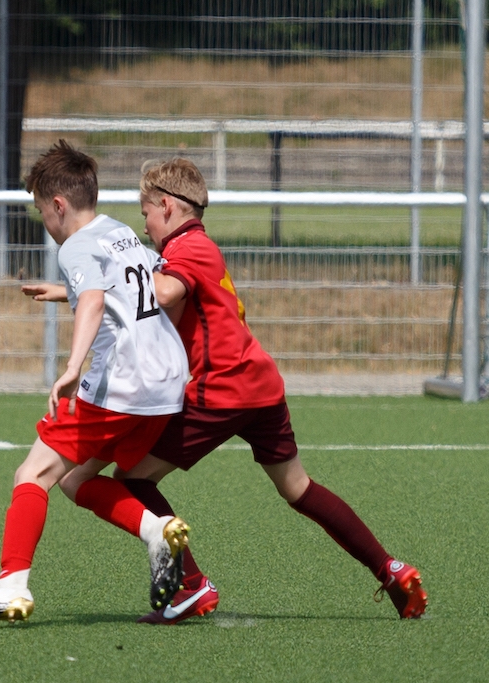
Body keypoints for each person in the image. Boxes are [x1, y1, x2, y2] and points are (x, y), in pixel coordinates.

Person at [26, 157, 427, 624]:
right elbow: (141, 289)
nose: (145, 225)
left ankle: (192, 586)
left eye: (146, 214)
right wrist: (75, 289)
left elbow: (162, 293)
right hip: (260, 385)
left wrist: (95, 281)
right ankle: (390, 569)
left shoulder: (189, 247)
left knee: (132, 478)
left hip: (219, 389)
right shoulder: (194, 246)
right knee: (298, 488)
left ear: (167, 207)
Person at [0, 140, 192, 628]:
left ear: (58, 205)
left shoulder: (75, 245)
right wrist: (66, 292)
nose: (44, 223)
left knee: (32, 474)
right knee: (76, 481)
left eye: (40, 211)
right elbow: (144, 289)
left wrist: (73, 366)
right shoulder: (119, 231)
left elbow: (94, 299)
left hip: (123, 385)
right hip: (166, 386)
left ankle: (10, 587)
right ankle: (156, 530)